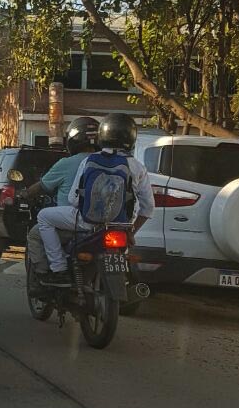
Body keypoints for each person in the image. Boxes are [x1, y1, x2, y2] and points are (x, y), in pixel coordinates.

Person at [36, 113, 155, 286]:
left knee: (43, 217)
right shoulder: (137, 166)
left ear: (103, 136)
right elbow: (148, 207)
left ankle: (59, 268)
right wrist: (130, 231)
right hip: (120, 226)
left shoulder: (89, 160)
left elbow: (73, 199)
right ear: (131, 137)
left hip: (86, 222)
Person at [20, 117, 100, 275]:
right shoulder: (107, 162)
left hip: (73, 222)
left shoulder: (66, 163)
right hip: (104, 223)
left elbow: (42, 186)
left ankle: (49, 272)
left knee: (35, 235)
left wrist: (25, 194)